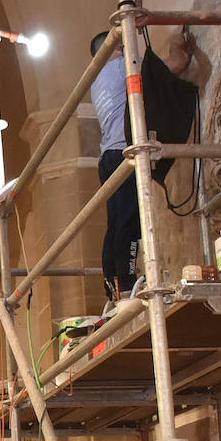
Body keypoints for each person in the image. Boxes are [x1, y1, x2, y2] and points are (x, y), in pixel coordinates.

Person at [88, 27, 192, 303]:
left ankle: (114, 287)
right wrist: (176, 45)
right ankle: (127, 282)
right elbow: (168, 70)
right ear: (113, 50)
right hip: (124, 153)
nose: (126, 51)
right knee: (130, 220)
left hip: (108, 157)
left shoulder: (98, 80)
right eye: (122, 47)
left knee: (116, 222)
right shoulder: (119, 68)